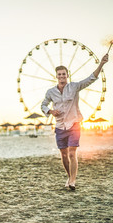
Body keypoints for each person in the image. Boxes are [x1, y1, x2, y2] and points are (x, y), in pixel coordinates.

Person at [41, 54, 109, 190]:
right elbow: (43, 105)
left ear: (68, 75)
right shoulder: (50, 92)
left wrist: (101, 63)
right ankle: (69, 176)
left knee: (72, 153)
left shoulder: (75, 86)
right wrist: (50, 112)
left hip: (74, 124)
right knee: (64, 155)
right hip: (60, 126)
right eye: (59, 74)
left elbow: (91, 78)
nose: (62, 76)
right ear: (56, 76)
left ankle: (72, 181)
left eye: (64, 74)